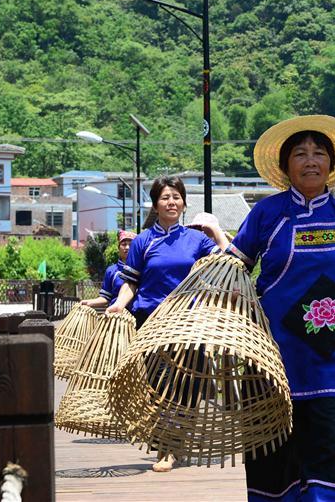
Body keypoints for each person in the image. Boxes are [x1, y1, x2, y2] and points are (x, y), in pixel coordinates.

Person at [226, 115, 335, 501]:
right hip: (271, 360)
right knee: (272, 460)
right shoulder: (266, 214)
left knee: (329, 458)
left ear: (331, 165)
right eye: (300, 153)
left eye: (319, 153)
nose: (310, 160)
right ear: (286, 167)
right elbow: (232, 269)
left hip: (334, 360)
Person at [107, 175, 229, 472]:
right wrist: (118, 305)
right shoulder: (143, 242)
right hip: (152, 323)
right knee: (159, 385)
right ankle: (166, 445)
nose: (171, 202)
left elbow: (229, 261)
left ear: (184, 203)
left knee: (189, 386)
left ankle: (173, 445)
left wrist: (215, 230)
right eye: (165, 197)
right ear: (156, 204)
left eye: (176, 197)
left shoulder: (196, 239)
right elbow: (130, 284)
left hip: (189, 323)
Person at [79, 230, 137, 309]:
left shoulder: (142, 270)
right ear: (118, 248)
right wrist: (89, 302)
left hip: (138, 315)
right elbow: (106, 297)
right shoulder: (112, 271)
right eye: (124, 244)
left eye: (131, 245)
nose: (127, 247)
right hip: (116, 316)